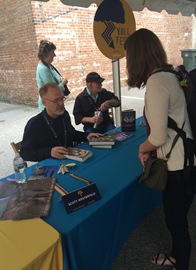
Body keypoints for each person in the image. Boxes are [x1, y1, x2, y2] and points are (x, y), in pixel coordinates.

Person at [124, 28, 196, 270]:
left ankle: (181, 264)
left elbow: (157, 137)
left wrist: (141, 150)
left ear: (137, 56)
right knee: (178, 220)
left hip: (177, 167)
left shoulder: (156, 81)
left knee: (176, 223)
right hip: (187, 161)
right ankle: (178, 257)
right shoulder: (170, 74)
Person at [20, 82, 101, 162]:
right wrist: (49, 152)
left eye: (62, 99)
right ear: (44, 102)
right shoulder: (34, 124)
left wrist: (86, 136)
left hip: (71, 160)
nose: (61, 103)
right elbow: (25, 153)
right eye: (56, 101)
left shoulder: (64, 114)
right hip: (50, 166)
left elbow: (71, 133)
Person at [36, 40, 70, 111]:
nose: (54, 55)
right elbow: (53, 90)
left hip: (55, 103)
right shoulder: (43, 69)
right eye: (52, 52)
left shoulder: (48, 65)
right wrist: (63, 83)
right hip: (49, 106)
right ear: (47, 53)